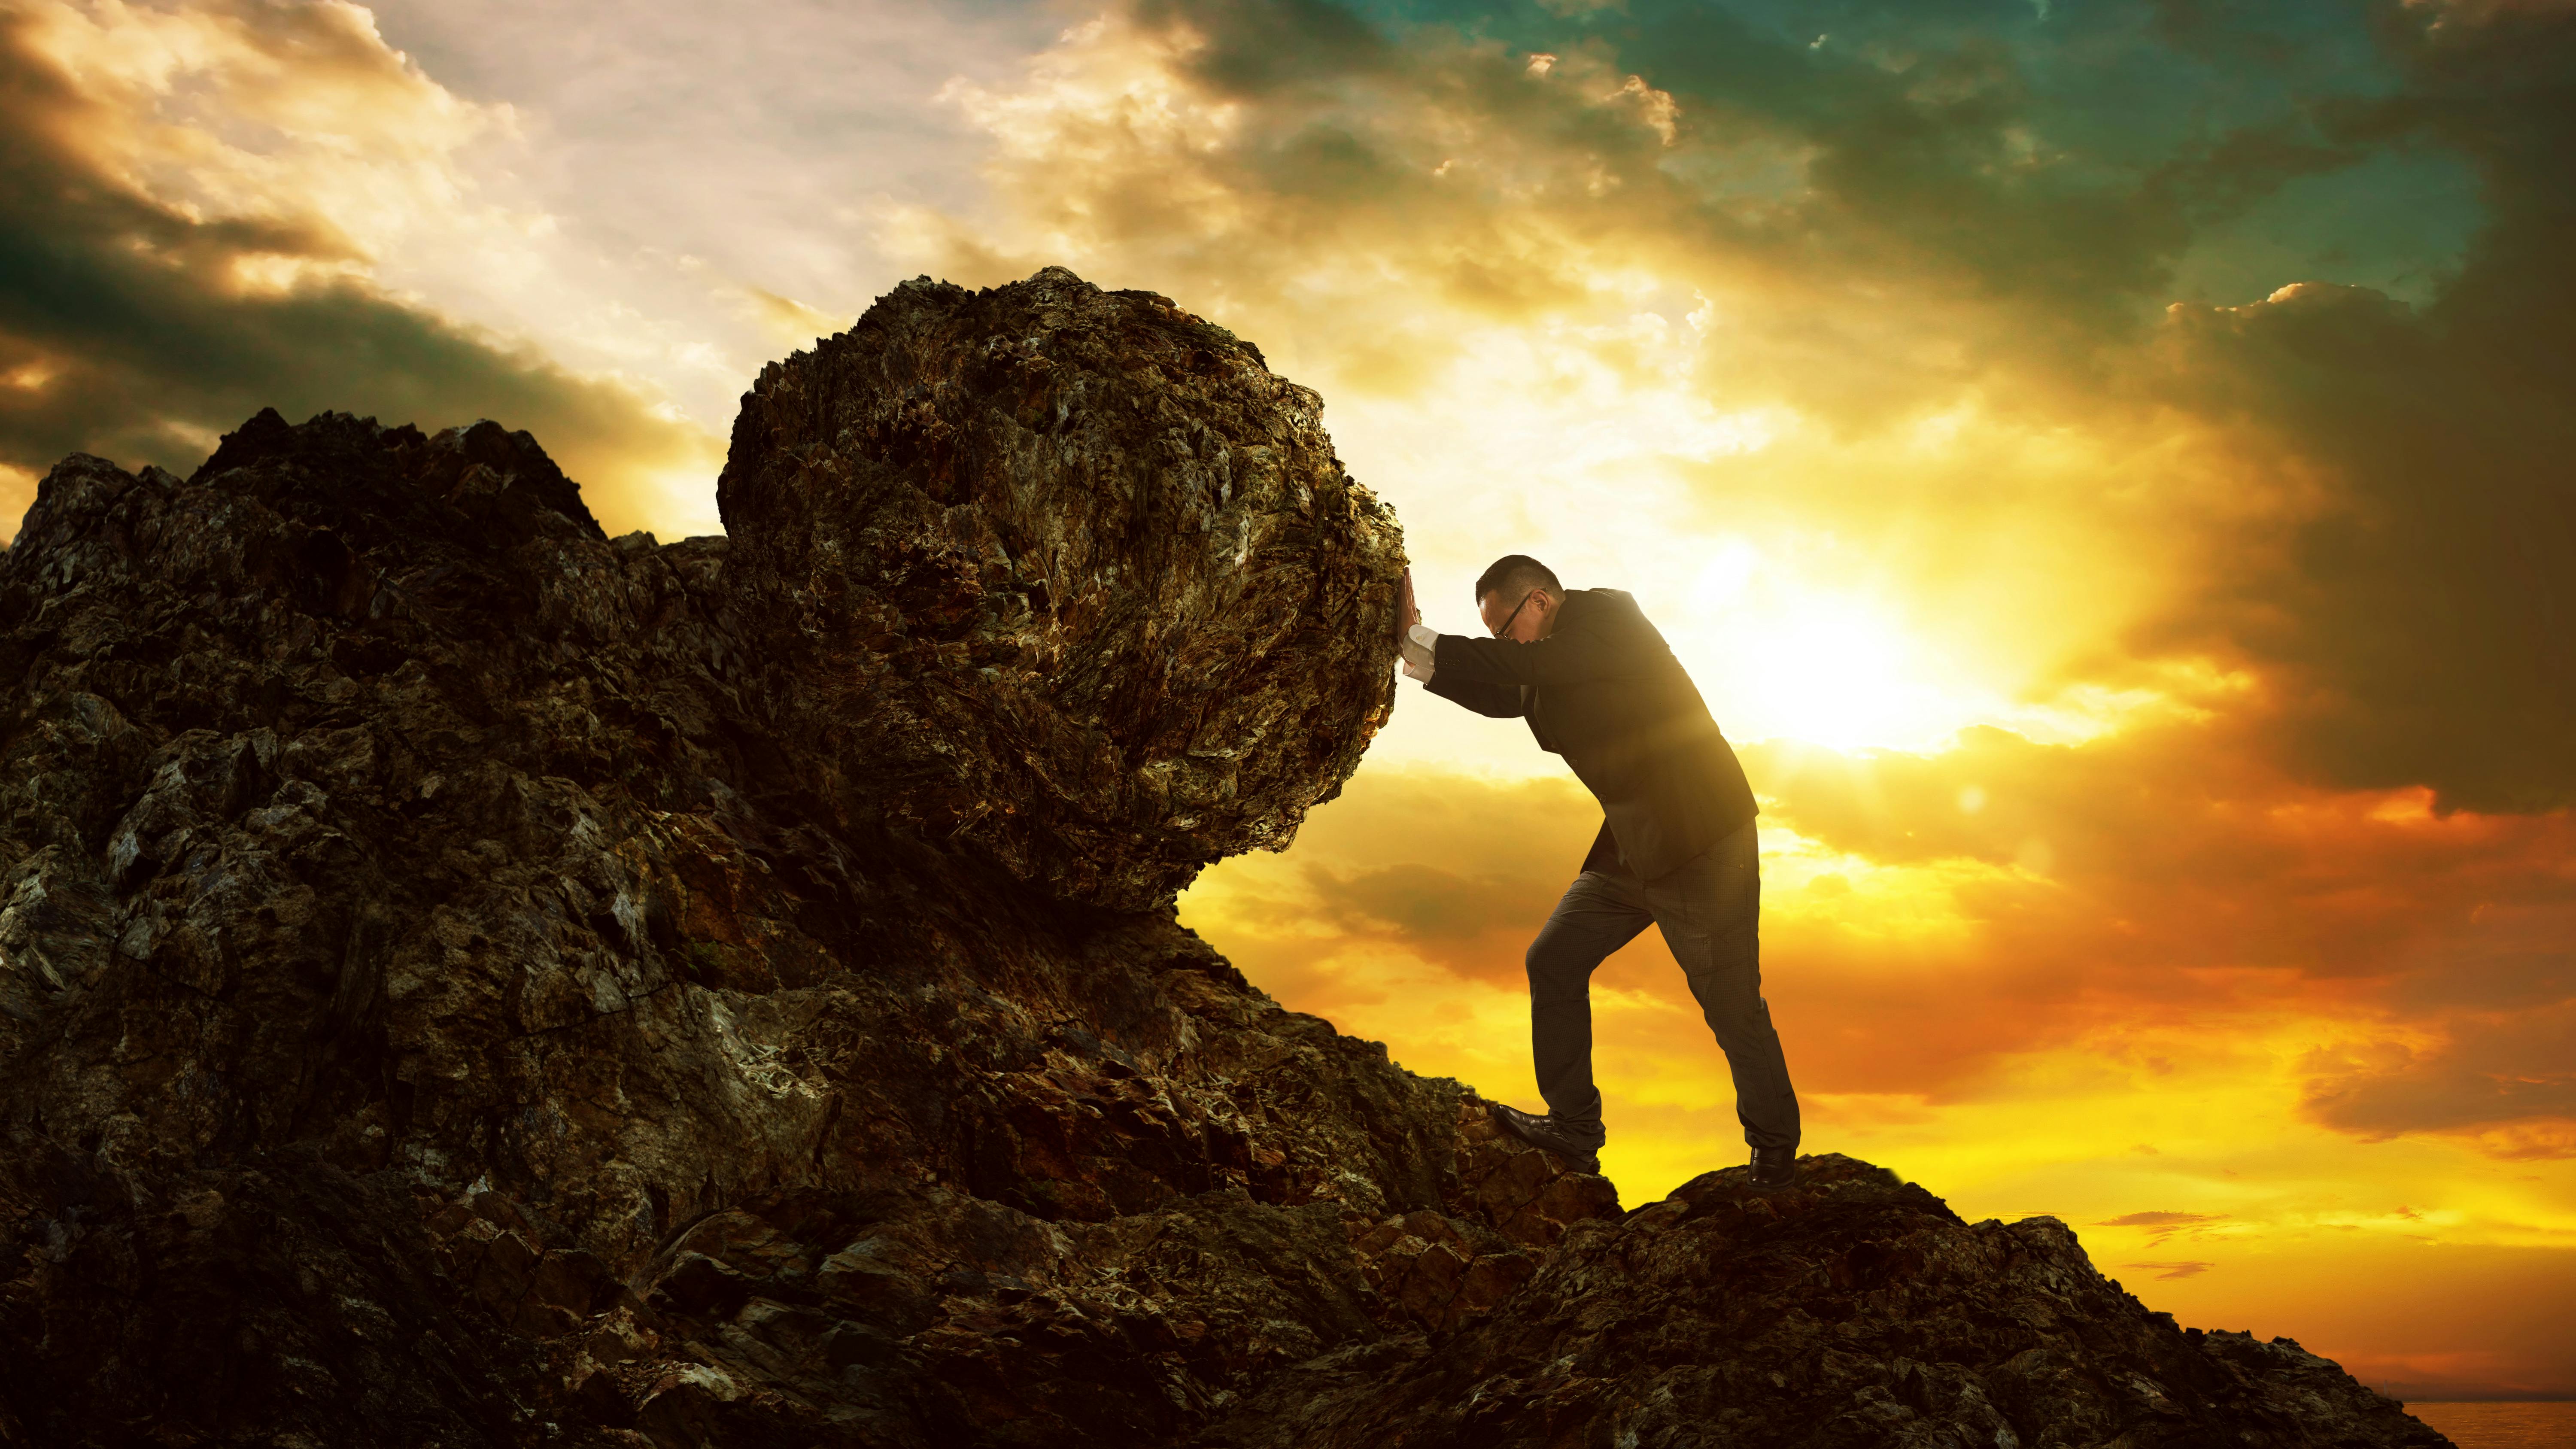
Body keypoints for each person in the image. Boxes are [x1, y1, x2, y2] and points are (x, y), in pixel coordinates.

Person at [1397, 555, 1800, 1187]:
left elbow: (1529, 667)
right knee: (1553, 961)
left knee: (1731, 1005)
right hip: (1634, 845)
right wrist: (1418, 658)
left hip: (1703, 840)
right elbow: (1506, 693)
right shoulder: (1546, 661)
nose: (1506, 643)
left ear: (1540, 601)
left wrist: (1425, 639)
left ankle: (1774, 1153)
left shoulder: (1610, 617)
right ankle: (1575, 1128)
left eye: (1505, 629)